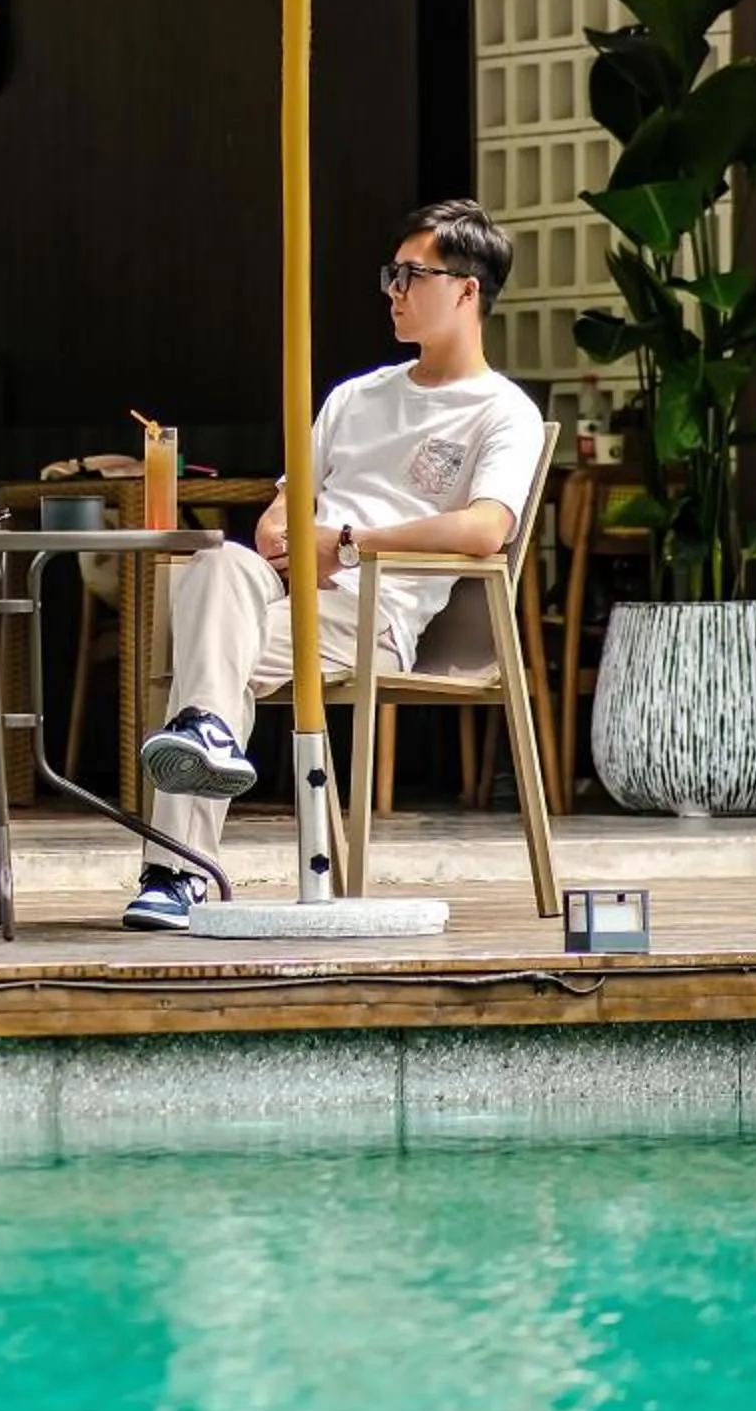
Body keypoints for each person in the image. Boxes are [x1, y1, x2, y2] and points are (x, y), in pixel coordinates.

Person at [124, 198, 545, 934]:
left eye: (413, 275)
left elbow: (486, 529)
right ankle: (208, 738)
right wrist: (290, 536)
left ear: (468, 290)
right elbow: (282, 510)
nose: (394, 290)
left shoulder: (499, 411)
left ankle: (174, 865)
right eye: (393, 274)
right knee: (217, 564)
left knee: (212, 662)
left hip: (373, 609)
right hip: (288, 591)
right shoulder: (356, 397)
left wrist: (345, 543)